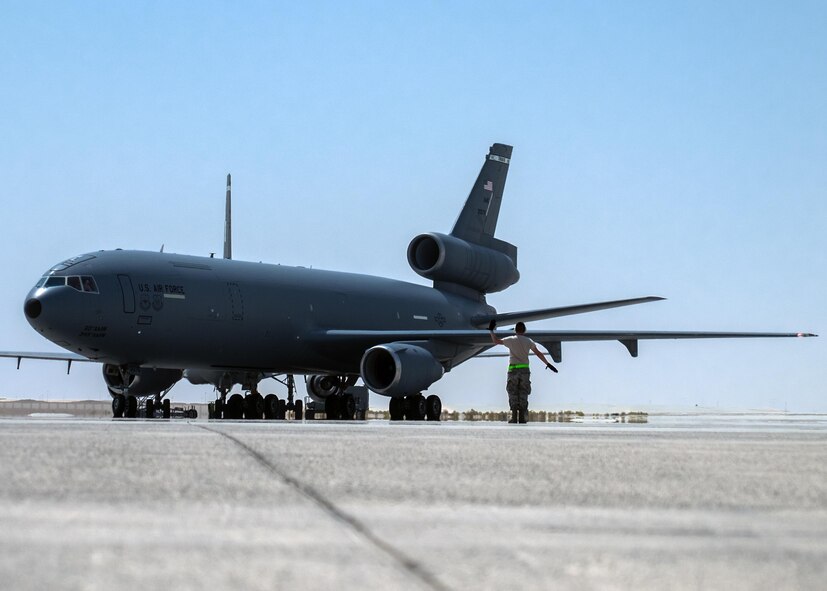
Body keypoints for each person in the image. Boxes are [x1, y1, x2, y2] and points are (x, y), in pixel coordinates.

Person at [489, 320, 557, 423]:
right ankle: (522, 417)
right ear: (524, 330)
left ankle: (514, 416)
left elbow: (496, 341)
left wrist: (491, 331)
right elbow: (538, 353)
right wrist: (547, 363)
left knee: (513, 393)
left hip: (513, 370)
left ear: (515, 330)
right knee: (523, 393)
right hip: (525, 370)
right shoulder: (529, 341)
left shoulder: (511, 340)